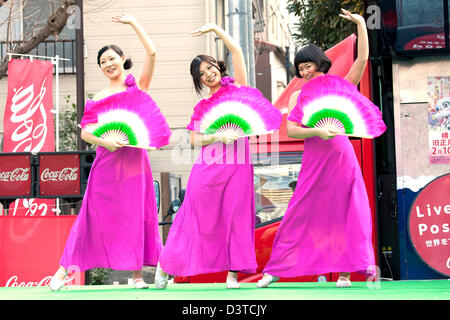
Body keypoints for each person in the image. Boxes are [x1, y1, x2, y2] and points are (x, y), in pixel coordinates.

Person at [49, 14, 170, 291]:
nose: (108, 64)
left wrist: (133, 24)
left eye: (112, 59)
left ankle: (138, 276)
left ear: (122, 58)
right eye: (102, 62)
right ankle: (62, 271)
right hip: (107, 162)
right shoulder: (99, 97)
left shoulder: (136, 88)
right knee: (91, 214)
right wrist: (106, 142)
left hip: (135, 163)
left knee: (136, 215)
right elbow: (85, 133)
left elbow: (152, 52)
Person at [257, 9, 375, 288]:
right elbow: (292, 130)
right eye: (300, 68)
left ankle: (345, 273)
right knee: (299, 210)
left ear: (320, 63)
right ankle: (275, 270)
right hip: (314, 158)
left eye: (307, 65)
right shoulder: (298, 95)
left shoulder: (340, 86)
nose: (304, 71)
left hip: (341, 156)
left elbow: (362, 59)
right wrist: (318, 131)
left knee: (348, 212)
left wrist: (361, 24)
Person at [154, 23, 258, 289]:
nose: (209, 74)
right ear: (199, 80)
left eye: (211, 67)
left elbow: (238, 51)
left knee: (236, 217)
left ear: (218, 66)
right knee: (192, 213)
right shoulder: (203, 105)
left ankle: (232, 275)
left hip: (238, 166)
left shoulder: (237, 91)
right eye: (202, 73)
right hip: (208, 166)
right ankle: (166, 264)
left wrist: (215, 29)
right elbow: (193, 139)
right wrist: (218, 137)